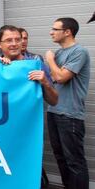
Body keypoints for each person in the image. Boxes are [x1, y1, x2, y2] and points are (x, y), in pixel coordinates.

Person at [45, 17, 90, 189]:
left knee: (74, 161)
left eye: (55, 29)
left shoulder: (79, 52)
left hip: (70, 114)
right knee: (61, 157)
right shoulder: (59, 53)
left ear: (67, 32)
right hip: (54, 111)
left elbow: (60, 77)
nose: (51, 32)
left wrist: (50, 59)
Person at [0, 25, 58, 106]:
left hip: (29, 117)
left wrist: (45, 83)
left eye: (18, 40)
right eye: (9, 40)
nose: (14, 44)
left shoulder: (36, 65)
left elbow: (54, 101)